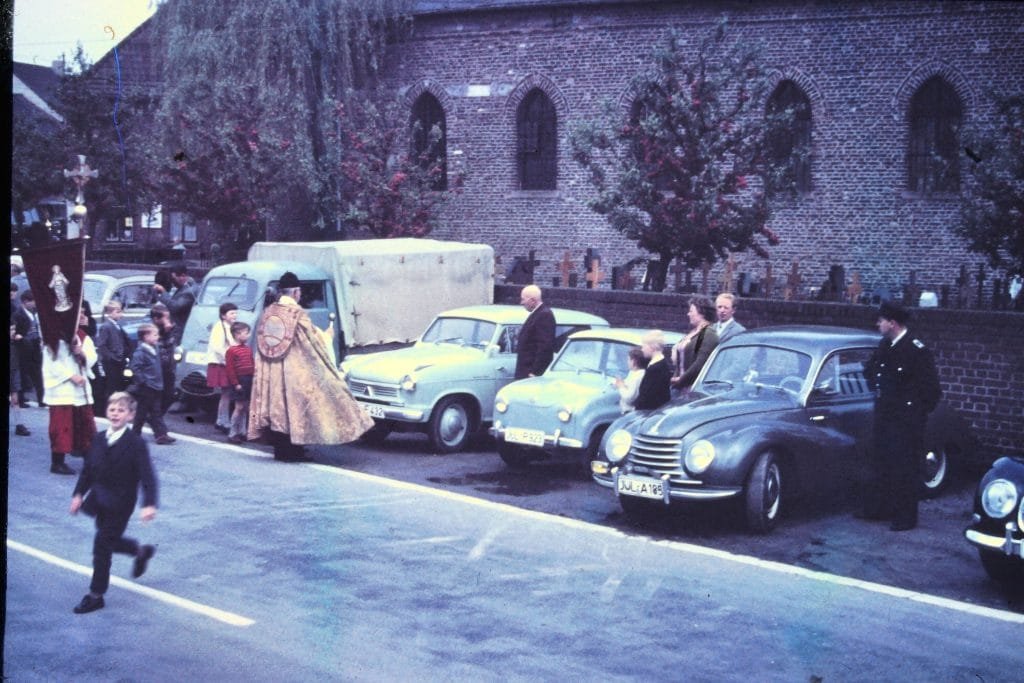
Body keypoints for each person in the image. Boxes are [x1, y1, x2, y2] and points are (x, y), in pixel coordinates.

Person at [248, 271, 373, 460]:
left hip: (271, 370)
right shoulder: (297, 314)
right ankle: (294, 452)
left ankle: (281, 450)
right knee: (296, 406)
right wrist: (328, 336)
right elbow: (314, 340)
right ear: (296, 293)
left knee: (278, 407)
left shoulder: (269, 312)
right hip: (292, 370)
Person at [69, 391, 158, 615]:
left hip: (121, 503)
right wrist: (78, 494)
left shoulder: (136, 444)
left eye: (121, 410)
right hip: (99, 500)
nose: (115, 413)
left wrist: (149, 503)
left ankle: (96, 595)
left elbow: (148, 476)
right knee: (108, 541)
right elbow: (88, 470)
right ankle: (139, 551)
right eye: (112, 409)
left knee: (102, 545)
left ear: (131, 415)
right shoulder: (98, 438)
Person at [860, 302, 942, 532]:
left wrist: (914, 414)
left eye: (881, 320)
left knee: (905, 468)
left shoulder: (917, 351)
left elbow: (932, 391)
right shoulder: (886, 345)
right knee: (883, 463)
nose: (878, 324)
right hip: (885, 416)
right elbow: (870, 371)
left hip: (906, 422)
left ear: (892, 323)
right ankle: (881, 509)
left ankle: (906, 517)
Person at [42, 310, 98, 475]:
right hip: (62, 389)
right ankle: (57, 462)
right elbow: (50, 362)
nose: (81, 316)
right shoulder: (53, 338)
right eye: (78, 313)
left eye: (83, 313)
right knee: (61, 426)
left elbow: (92, 357)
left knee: (85, 425)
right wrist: (70, 376)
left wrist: (80, 352)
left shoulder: (83, 337)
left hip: (80, 390)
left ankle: (90, 459)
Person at [128, 323, 175, 445]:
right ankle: (135, 435)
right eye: (154, 335)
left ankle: (161, 435)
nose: (157, 337)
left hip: (156, 385)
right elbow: (135, 368)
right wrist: (143, 381)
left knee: (155, 411)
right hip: (147, 387)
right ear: (145, 337)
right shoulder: (140, 352)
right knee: (142, 413)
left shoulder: (155, 348)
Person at [670, 295, 720, 393]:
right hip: (680, 387)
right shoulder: (694, 333)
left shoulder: (708, 334)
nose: (688, 314)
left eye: (691, 311)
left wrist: (681, 379)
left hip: (692, 389)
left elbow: (700, 363)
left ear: (701, 313)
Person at [206, 303, 239, 433]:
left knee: (226, 394)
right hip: (220, 364)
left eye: (236, 313)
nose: (235, 315)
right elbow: (217, 347)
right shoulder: (219, 327)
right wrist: (229, 358)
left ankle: (221, 421)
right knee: (226, 394)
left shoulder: (228, 326)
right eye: (232, 313)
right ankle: (222, 421)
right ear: (223, 315)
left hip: (225, 363)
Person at [95, 301, 132, 413]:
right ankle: (108, 409)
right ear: (110, 313)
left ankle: (116, 407)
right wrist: (111, 357)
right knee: (111, 386)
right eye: (118, 312)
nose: (121, 314)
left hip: (119, 360)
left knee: (118, 384)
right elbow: (101, 345)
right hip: (112, 362)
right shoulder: (106, 327)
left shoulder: (117, 326)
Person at [514, 284, 556, 379]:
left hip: (531, 374)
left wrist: (535, 372)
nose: (521, 303)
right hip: (525, 371)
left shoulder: (544, 315)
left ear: (532, 300)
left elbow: (545, 347)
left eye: (523, 299)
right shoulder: (538, 314)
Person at [224, 321, 254, 444]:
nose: (248, 336)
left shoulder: (248, 349)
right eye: (245, 333)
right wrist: (236, 383)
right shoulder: (231, 351)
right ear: (237, 335)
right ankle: (232, 433)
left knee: (245, 407)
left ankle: (242, 432)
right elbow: (230, 369)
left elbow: (252, 364)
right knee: (239, 407)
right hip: (239, 381)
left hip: (248, 380)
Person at [13, 290, 44, 406]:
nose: (35, 303)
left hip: (35, 344)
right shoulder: (18, 314)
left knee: (38, 372)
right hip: (24, 346)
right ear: (25, 301)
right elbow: (15, 331)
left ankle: (42, 399)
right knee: (23, 371)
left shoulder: (34, 312)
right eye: (33, 301)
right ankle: (21, 399)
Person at [150, 303, 182, 416]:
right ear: (156, 319)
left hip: (168, 367)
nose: (167, 320)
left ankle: (157, 417)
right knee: (157, 396)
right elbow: (160, 346)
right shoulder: (151, 331)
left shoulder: (169, 329)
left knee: (170, 394)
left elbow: (173, 342)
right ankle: (156, 419)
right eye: (165, 318)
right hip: (156, 368)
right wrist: (167, 333)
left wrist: (169, 331)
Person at [634, 330, 672, 411]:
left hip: (649, 413)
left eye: (644, 346)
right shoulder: (660, 364)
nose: (642, 349)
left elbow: (647, 397)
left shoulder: (655, 369)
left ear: (652, 347)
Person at [153, 262, 197, 330]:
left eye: (173, 278)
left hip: (183, 329)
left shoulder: (189, 291)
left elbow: (175, 307)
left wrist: (163, 292)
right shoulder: (185, 287)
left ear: (182, 276)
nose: (172, 282)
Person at [613, 346, 648, 413]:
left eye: (628, 359)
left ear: (634, 361)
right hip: (624, 409)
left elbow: (629, 397)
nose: (627, 362)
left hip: (629, 411)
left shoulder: (638, 376)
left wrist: (621, 386)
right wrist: (620, 383)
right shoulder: (633, 373)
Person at [10, 321, 30, 436]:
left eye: (14, 329)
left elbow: (29, 347)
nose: (13, 332)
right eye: (11, 329)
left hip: (14, 371)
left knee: (15, 400)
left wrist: (21, 339)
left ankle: (19, 424)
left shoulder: (17, 342)